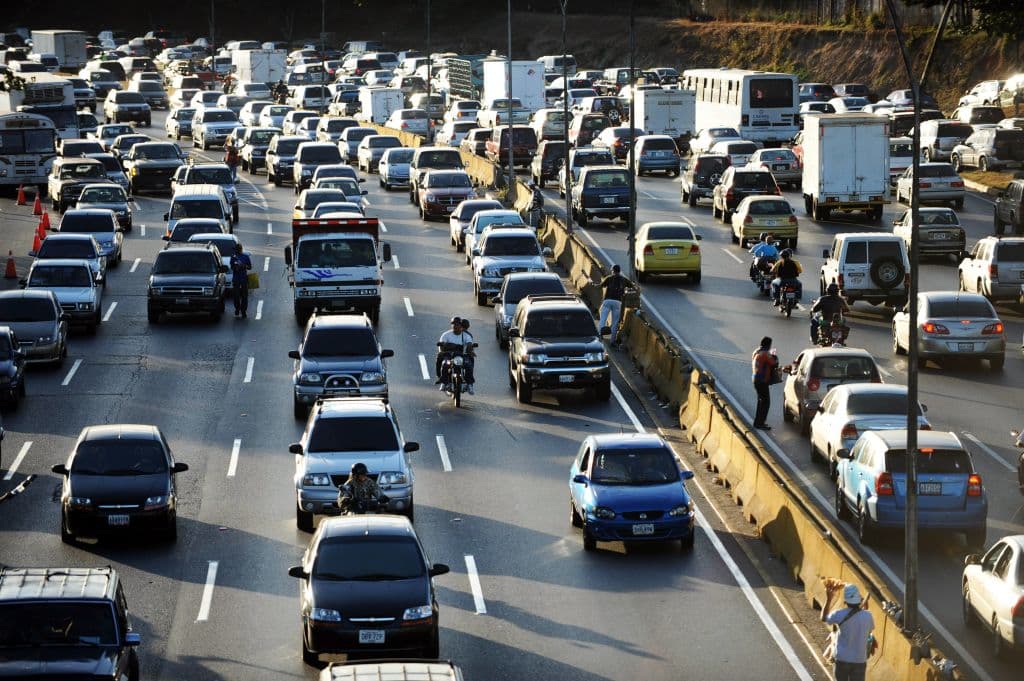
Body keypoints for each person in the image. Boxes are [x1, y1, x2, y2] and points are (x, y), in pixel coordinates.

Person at [821, 581, 875, 681]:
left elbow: (824, 618)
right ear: (859, 600)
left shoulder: (839, 614)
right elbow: (869, 630)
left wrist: (829, 599)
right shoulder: (868, 616)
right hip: (859, 659)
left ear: (845, 601)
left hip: (842, 658)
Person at [435, 316, 476, 394]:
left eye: (457, 324)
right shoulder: (446, 335)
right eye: (453, 324)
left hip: (461, 356)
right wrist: (442, 351)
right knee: (445, 364)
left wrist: (470, 348)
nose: (455, 326)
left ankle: (469, 384)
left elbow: (469, 344)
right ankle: (444, 382)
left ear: (461, 325)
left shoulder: (466, 335)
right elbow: (441, 345)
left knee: (468, 364)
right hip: (449, 355)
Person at [599, 264, 632, 346]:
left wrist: (594, 284)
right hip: (617, 302)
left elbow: (601, 285)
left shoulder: (609, 278)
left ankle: (600, 335)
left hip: (607, 301)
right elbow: (632, 286)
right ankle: (612, 341)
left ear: (612, 271)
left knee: (603, 319)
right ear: (619, 271)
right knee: (615, 323)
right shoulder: (624, 279)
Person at [751, 336, 778, 431]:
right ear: (768, 345)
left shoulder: (756, 351)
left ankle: (757, 423)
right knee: (766, 403)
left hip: (756, 379)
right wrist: (774, 356)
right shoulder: (765, 354)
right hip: (762, 381)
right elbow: (774, 363)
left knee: (761, 401)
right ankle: (760, 423)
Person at [229, 242, 252, 318]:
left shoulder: (245, 257)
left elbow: (250, 267)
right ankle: (237, 308)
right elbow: (232, 267)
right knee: (236, 296)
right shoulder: (233, 257)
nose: (237, 251)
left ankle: (243, 311)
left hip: (243, 279)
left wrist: (243, 266)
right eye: (236, 250)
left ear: (241, 249)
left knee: (244, 296)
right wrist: (236, 267)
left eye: (238, 249)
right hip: (236, 279)